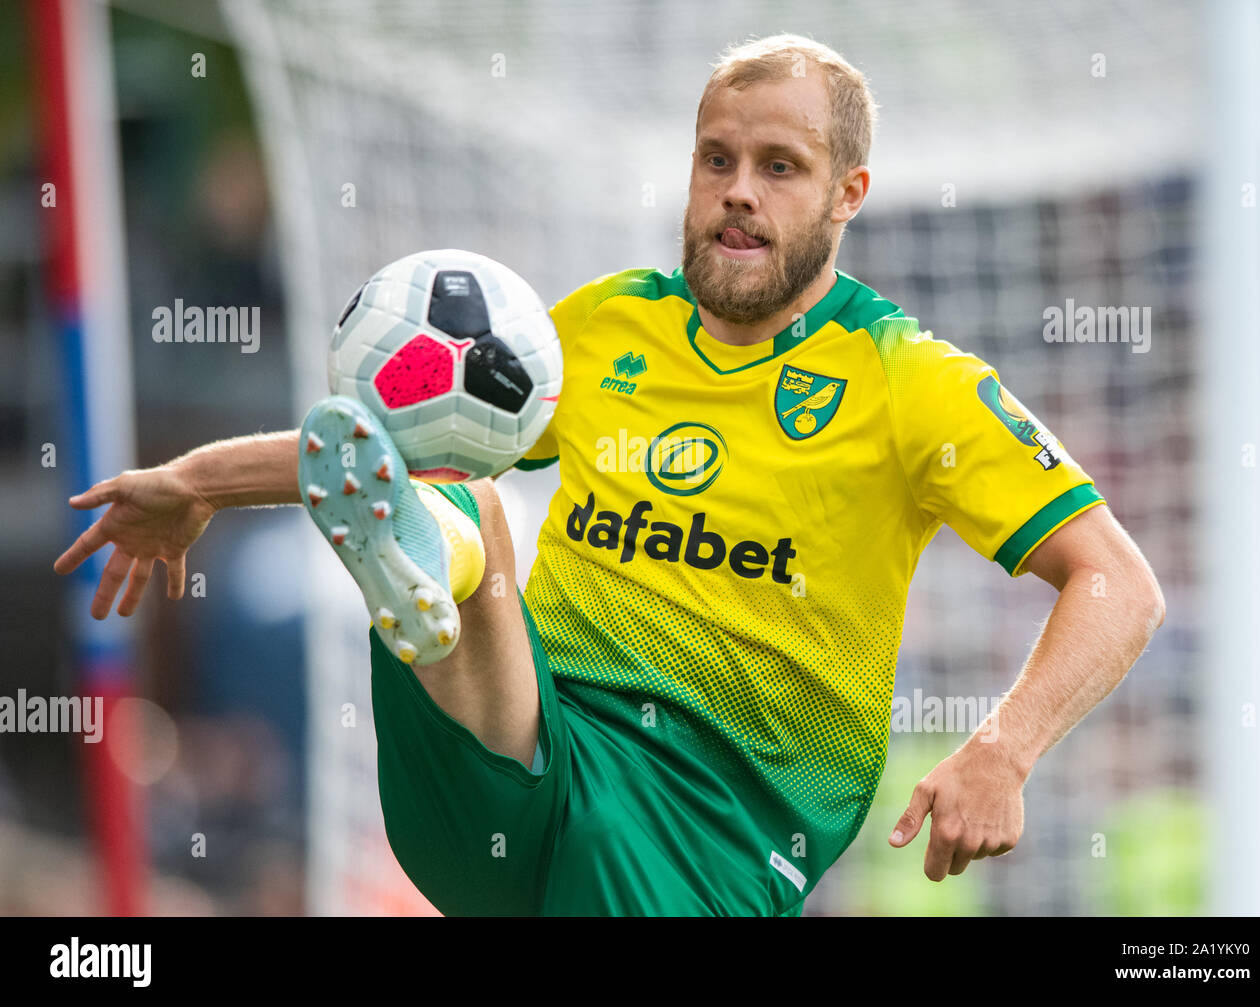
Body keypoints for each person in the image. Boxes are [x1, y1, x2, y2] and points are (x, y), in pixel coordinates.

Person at [54, 34, 1164, 916]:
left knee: (464, 498)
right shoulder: (606, 324)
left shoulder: (909, 380)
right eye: (715, 159)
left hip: (713, 814)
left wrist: (1002, 748)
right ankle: (417, 560)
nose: (737, 191)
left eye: (779, 167)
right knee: (462, 479)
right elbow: (384, 448)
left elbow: (1118, 582)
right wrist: (194, 480)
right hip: (522, 753)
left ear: (847, 195)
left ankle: (420, 559)